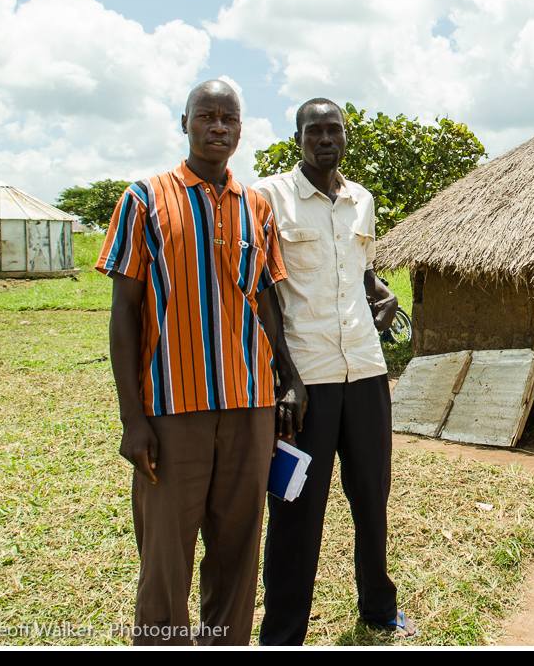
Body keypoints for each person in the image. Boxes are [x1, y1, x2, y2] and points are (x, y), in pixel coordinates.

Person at [98, 79, 307, 646]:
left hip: (249, 405)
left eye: (228, 119)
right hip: (172, 408)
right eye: (206, 116)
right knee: (165, 557)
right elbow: (125, 313)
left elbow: (265, 300)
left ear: (240, 129)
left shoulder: (256, 207)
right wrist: (132, 419)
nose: (218, 127)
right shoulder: (144, 199)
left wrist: (287, 378)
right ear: (184, 123)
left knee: (238, 551)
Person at [255, 97, 416, 643]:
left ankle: (378, 607)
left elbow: (358, 269)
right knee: (296, 510)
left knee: (372, 498)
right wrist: (286, 379)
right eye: (314, 131)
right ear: (298, 138)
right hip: (308, 381)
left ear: (345, 137)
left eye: (334, 130)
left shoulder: (360, 200)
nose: (325, 139)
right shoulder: (269, 197)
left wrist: (383, 292)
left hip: (366, 371)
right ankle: (283, 633)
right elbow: (263, 293)